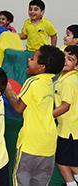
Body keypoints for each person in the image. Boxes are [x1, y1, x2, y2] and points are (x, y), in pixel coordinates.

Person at [4, 45, 65, 185]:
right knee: (40, 182)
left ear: (41, 67)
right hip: (48, 144)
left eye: (32, 59)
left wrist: (8, 90)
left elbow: (19, 107)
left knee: (21, 180)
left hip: (30, 143)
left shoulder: (32, 81)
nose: (28, 61)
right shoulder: (49, 83)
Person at [53, 45, 78, 186]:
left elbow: (65, 106)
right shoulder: (65, 77)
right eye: (64, 57)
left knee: (63, 161)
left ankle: (70, 183)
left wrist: (47, 116)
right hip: (68, 128)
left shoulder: (69, 81)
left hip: (68, 130)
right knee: (70, 162)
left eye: (70, 59)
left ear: (76, 64)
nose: (65, 61)